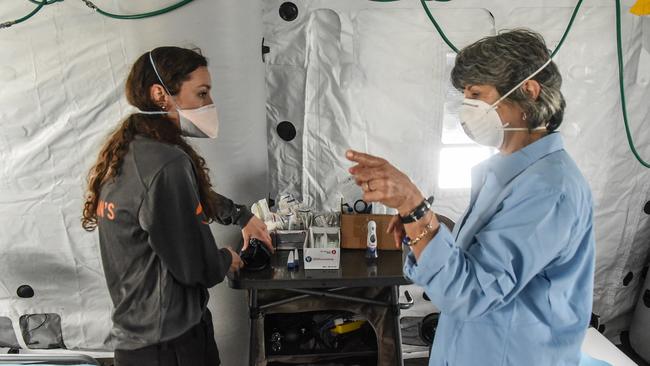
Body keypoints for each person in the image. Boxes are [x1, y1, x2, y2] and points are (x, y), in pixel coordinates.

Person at [346, 29, 594, 366]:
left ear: (529, 92)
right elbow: (472, 269)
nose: (467, 110)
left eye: (477, 94)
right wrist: (422, 226)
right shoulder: (508, 173)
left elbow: (471, 293)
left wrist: (414, 207)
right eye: (465, 96)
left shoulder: (550, 189)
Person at [81, 46, 272, 366]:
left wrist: (241, 215)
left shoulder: (131, 153)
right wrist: (227, 258)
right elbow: (196, 267)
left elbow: (189, 200)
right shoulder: (166, 163)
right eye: (201, 93)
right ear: (160, 94)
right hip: (172, 347)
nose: (209, 104)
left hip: (137, 344)